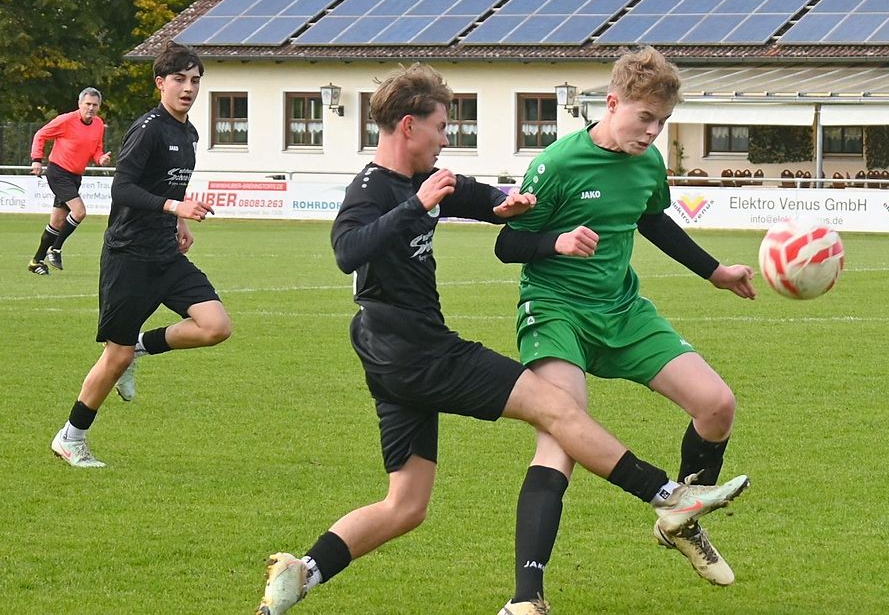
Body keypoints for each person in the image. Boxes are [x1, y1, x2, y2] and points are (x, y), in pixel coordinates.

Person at [256, 63, 749, 615]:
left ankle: (305, 571)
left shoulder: (428, 180)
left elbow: (485, 201)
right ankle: (669, 497)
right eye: (442, 127)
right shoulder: (372, 189)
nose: (447, 139)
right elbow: (348, 249)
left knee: (406, 504)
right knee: (558, 410)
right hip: (419, 350)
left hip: (390, 354)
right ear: (408, 126)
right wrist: (417, 206)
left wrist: (507, 206)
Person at [493, 47, 757, 613]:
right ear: (612, 104)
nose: (653, 132)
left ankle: (681, 518)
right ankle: (526, 599)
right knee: (562, 435)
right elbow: (506, 243)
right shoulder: (557, 163)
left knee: (717, 404)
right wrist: (556, 242)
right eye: (645, 118)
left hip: (623, 308)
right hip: (556, 310)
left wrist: (715, 272)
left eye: (662, 122)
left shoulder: (648, 163)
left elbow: (651, 218)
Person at [49, 41, 232, 467]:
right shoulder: (148, 128)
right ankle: (70, 437)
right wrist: (175, 208)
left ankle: (142, 348)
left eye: (195, 81)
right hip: (129, 255)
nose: (188, 88)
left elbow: (170, 185)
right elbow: (123, 188)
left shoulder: (188, 132)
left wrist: (180, 221)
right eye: (179, 80)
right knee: (114, 356)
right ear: (160, 83)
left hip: (165, 253)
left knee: (216, 325)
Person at [28, 87, 112, 274]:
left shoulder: (98, 124)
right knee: (79, 212)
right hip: (58, 172)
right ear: (79, 104)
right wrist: (36, 160)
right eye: (87, 104)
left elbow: (96, 150)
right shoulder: (66, 120)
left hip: (75, 176)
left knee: (57, 222)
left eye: (95, 105)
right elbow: (40, 135)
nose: (91, 108)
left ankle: (36, 262)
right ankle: (55, 249)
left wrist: (101, 159)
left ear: (99, 107)